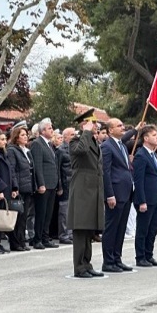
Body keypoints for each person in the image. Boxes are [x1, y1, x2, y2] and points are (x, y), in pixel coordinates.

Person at [67, 110, 104, 278]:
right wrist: (86, 132)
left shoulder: (94, 142)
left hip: (93, 189)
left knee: (89, 230)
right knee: (81, 230)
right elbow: (81, 150)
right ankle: (79, 267)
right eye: (93, 123)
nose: (96, 126)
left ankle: (87, 263)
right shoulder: (76, 141)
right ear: (84, 124)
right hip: (82, 190)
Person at [100, 118, 138, 273]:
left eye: (123, 125)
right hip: (115, 192)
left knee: (121, 228)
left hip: (126, 191)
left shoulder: (121, 144)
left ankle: (117, 258)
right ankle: (108, 261)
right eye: (119, 126)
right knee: (112, 227)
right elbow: (106, 172)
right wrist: (109, 194)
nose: (123, 128)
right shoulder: (107, 147)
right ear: (110, 130)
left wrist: (136, 129)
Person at [133, 125, 157, 268]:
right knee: (143, 229)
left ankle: (149, 254)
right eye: (154, 135)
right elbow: (138, 181)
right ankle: (140, 257)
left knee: (152, 229)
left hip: (155, 198)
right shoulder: (141, 155)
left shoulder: (154, 155)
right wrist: (141, 201)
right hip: (145, 199)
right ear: (146, 138)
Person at [30, 119, 60, 249]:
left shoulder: (49, 145)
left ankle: (45, 237)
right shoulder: (37, 144)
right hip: (44, 185)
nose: (52, 130)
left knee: (48, 213)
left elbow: (54, 165)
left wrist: (59, 185)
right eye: (49, 128)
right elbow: (38, 166)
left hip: (52, 184)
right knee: (41, 213)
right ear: (42, 131)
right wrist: (40, 184)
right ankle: (38, 239)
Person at [7, 127, 34, 251]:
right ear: (16, 137)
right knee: (17, 216)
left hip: (27, 186)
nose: (25, 137)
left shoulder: (26, 151)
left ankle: (22, 241)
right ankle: (15, 242)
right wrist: (14, 186)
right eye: (22, 135)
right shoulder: (12, 150)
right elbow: (12, 169)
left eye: (26, 135)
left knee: (23, 216)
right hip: (19, 187)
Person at [56, 128, 75, 245]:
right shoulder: (61, 150)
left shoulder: (75, 148)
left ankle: (71, 233)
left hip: (75, 183)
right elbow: (57, 169)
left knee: (73, 210)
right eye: (72, 135)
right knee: (64, 211)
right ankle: (63, 234)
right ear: (65, 137)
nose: (74, 136)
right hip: (65, 183)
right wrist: (59, 186)